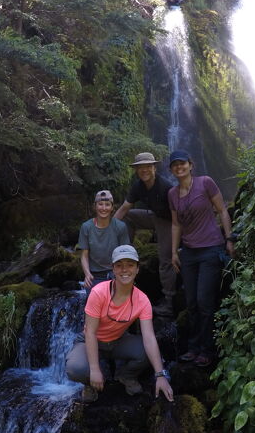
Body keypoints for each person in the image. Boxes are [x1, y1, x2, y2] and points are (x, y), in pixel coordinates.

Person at [65, 244, 175, 403]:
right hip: (90, 340)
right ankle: (89, 384)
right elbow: (90, 332)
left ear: (137, 269)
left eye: (130, 265)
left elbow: (149, 337)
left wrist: (160, 375)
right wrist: (95, 370)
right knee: (75, 368)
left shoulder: (142, 300)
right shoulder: (98, 292)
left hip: (118, 341)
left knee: (146, 351)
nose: (125, 270)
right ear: (113, 269)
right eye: (119, 265)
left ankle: (126, 376)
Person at [168, 149, 235, 368]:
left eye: (182, 163)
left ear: (191, 164)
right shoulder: (172, 194)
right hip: (188, 253)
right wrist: (173, 252)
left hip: (210, 249)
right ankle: (193, 347)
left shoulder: (205, 183)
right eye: (175, 165)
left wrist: (229, 238)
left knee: (204, 301)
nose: (179, 167)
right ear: (171, 169)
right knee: (191, 303)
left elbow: (222, 210)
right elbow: (176, 224)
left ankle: (207, 350)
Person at [114, 152, 176, 318]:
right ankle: (125, 252)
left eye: (148, 166)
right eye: (140, 167)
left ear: (154, 167)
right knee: (129, 216)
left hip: (169, 221)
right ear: (136, 170)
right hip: (153, 216)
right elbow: (124, 208)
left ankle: (169, 302)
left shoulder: (166, 187)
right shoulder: (138, 186)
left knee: (165, 259)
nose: (144, 170)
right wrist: (107, 228)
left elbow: (177, 214)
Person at [78, 190, 130, 289]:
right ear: (95, 206)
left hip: (116, 272)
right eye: (100, 204)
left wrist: (123, 275)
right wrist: (87, 274)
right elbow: (84, 255)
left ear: (112, 207)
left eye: (107, 204)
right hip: (94, 275)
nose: (104, 208)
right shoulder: (86, 227)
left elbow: (125, 254)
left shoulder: (120, 227)